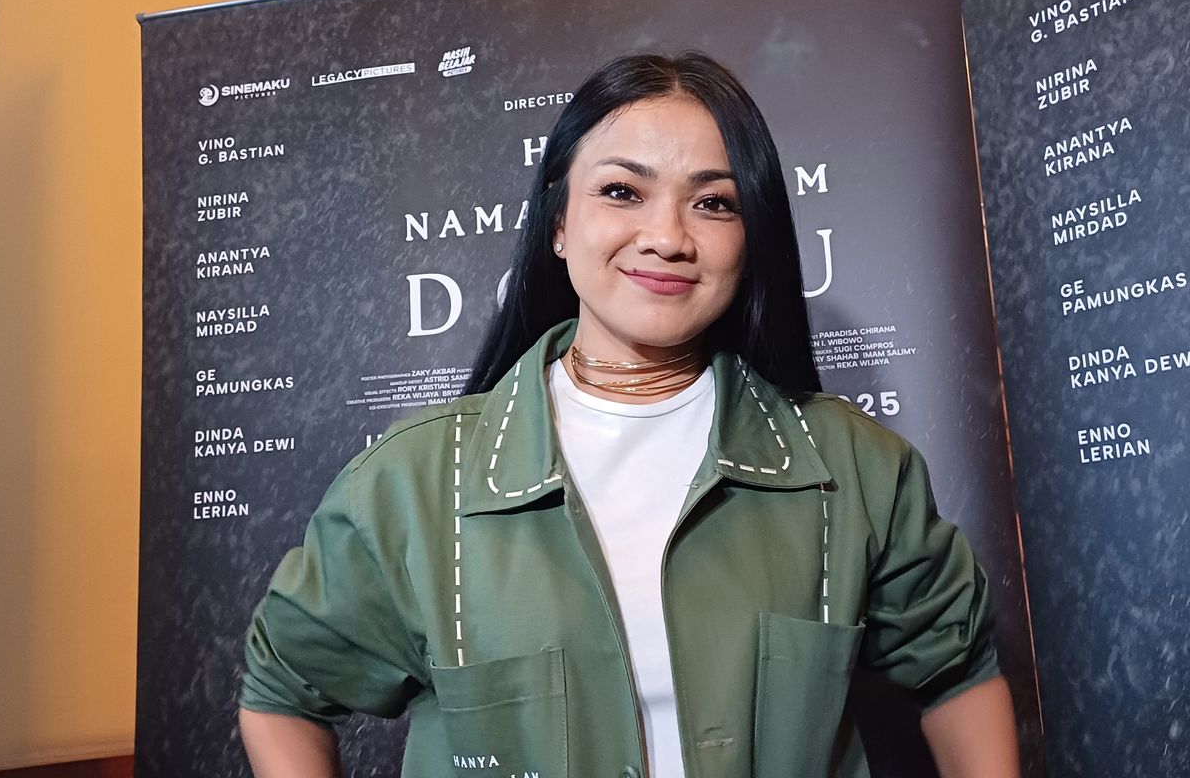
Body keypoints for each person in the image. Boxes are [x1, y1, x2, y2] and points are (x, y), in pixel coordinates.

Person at [238, 52, 1021, 778]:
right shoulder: (413, 484)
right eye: (622, 192)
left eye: (713, 203)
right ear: (557, 223)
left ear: (751, 237)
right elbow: (282, 692)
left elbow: (957, 671)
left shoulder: (855, 468)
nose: (668, 237)